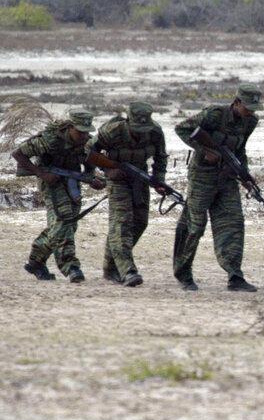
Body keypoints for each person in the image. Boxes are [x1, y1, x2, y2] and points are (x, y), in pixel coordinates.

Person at [173, 84, 262, 292]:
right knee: (195, 225)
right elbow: (182, 128)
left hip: (227, 178)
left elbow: (240, 150)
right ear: (237, 102)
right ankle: (183, 273)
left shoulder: (250, 121)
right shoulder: (214, 115)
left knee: (233, 223)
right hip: (202, 176)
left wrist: (244, 174)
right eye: (247, 107)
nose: (250, 111)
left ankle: (235, 275)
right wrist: (204, 149)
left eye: (254, 108)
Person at [13, 108, 105, 283]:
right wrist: (41, 173)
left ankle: (36, 262)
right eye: (80, 132)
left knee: (66, 225)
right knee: (63, 220)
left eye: (87, 132)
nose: (84, 136)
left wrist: (92, 179)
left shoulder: (84, 142)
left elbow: (88, 162)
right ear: (70, 127)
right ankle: (71, 267)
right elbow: (18, 154)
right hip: (51, 183)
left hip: (72, 183)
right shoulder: (49, 140)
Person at [87, 102, 169, 287]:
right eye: (137, 129)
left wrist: (158, 180)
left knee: (140, 222)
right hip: (117, 179)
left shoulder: (155, 132)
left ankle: (110, 268)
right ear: (128, 121)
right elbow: (88, 150)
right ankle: (127, 271)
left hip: (140, 179)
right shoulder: (112, 131)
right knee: (122, 223)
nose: (141, 132)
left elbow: (161, 158)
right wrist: (107, 172)